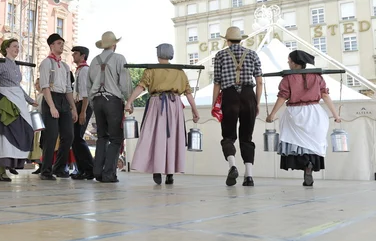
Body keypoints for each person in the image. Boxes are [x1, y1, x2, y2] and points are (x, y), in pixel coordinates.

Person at [125, 44, 200, 185]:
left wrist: (129, 102)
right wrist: (194, 111)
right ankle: (170, 173)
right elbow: (188, 93)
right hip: (174, 105)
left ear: (158, 54)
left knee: (155, 137)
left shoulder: (151, 70)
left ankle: (158, 170)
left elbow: (140, 87)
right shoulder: (180, 72)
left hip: (157, 104)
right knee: (172, 138)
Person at [266, 50, 341, 187]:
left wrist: (272, 114)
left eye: (289, 60)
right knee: (312, 144)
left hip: (295, 112)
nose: (288, 62)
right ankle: (309, 165)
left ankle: (304, 164)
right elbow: (325, 96)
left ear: (294, 63)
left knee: (297, 143)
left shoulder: (288, 78)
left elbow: (282, 96)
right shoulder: (317, 77)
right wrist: (336, 115)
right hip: (315, 112)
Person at [0, 38, 38, 182]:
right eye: (14, 46)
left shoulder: (16, 65)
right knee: (5, 135)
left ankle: (12, 163)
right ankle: (3, 168)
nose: (17, 49)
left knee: (23, 131)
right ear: (6, 48)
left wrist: (30, 100)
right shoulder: (0, 64)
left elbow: (17, 86)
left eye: (18, 47)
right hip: (5, 102)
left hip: (17, 100)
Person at [212, 26, 262, 187]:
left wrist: (215, 104)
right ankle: (249, 176)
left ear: (227, 40)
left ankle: (232, 166)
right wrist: (257, 102)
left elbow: (217, 83)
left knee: (228, 136)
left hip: (229, 96)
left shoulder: (220, 55)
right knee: (247, 137)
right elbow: (260, 81)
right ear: (241, 40)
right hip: (248, 96)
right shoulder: (253, 54)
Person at [88, 31, 132, 183]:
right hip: (112, 101)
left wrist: (92, 102)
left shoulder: (94, 61)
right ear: (114, 45)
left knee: (101, 137)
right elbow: (125, 83)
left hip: (97, 100)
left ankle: (97, 171)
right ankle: (109, 174)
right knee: (115, 138)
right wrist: (129, 100)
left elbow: (89, 85)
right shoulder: (119, 58)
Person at [38, 33, 78, 180]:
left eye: (62, 43)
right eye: (58, 43)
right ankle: (46, 171)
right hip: (51, 98)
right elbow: (45, 86)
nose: (61, 45)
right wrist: (52, 106)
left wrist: (73, 107)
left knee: (68, 135)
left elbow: (68, 89)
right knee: (51, 136)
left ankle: (59, 167)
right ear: (51, 46)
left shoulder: (66, 66)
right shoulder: (46, 63)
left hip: (63, 100)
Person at [70, 46, 95, 180]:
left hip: (83, 104)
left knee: (78, 137)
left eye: (76, 53)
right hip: (78, 104)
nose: (73, 55)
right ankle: (82, 169)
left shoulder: (85, 70)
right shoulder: (79, 71)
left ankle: (89, 168)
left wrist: (83, 111)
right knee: (75, 138)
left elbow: (86, 93)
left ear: (83, 55)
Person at [29, 78, 44, 174]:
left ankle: (43, 165)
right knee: (36, 147)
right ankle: (39, 165)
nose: (36, 85)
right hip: (36, 122)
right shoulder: (38, 96)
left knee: (40, 146)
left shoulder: (43, 96)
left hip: (40, 121)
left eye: (38, 83)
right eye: (35, 83)